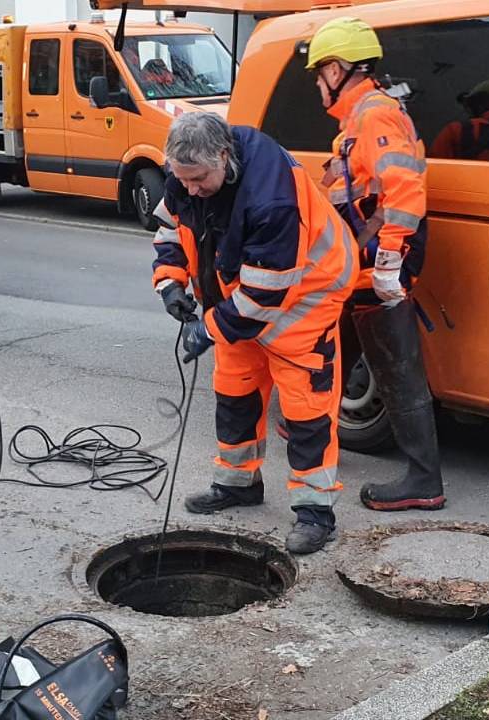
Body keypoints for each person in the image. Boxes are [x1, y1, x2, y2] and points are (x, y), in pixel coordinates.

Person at [152, 111, 358, 554]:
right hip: (239, 296)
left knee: (305, 406)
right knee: (234, 387)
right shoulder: (187, 172)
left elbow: (267, 293)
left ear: (224, 158)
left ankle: (315, 511)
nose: (190, 189)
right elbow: (170, 228)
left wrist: (208, 328)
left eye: (199, 179)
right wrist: (170, 282)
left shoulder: (271, 197)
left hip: (305, 296)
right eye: (182, 179)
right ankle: (238, 482)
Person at [306, 16, 445, 511]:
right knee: (334, 338)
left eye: (319, 73)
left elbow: (405, 190)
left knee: (395, 361)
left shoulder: (374, 115)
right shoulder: (359, 118)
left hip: (382, 258)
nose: (317, 85)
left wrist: (388, 260)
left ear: (339, 69)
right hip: (361, 259)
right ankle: (307, 429)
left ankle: (424, 480)